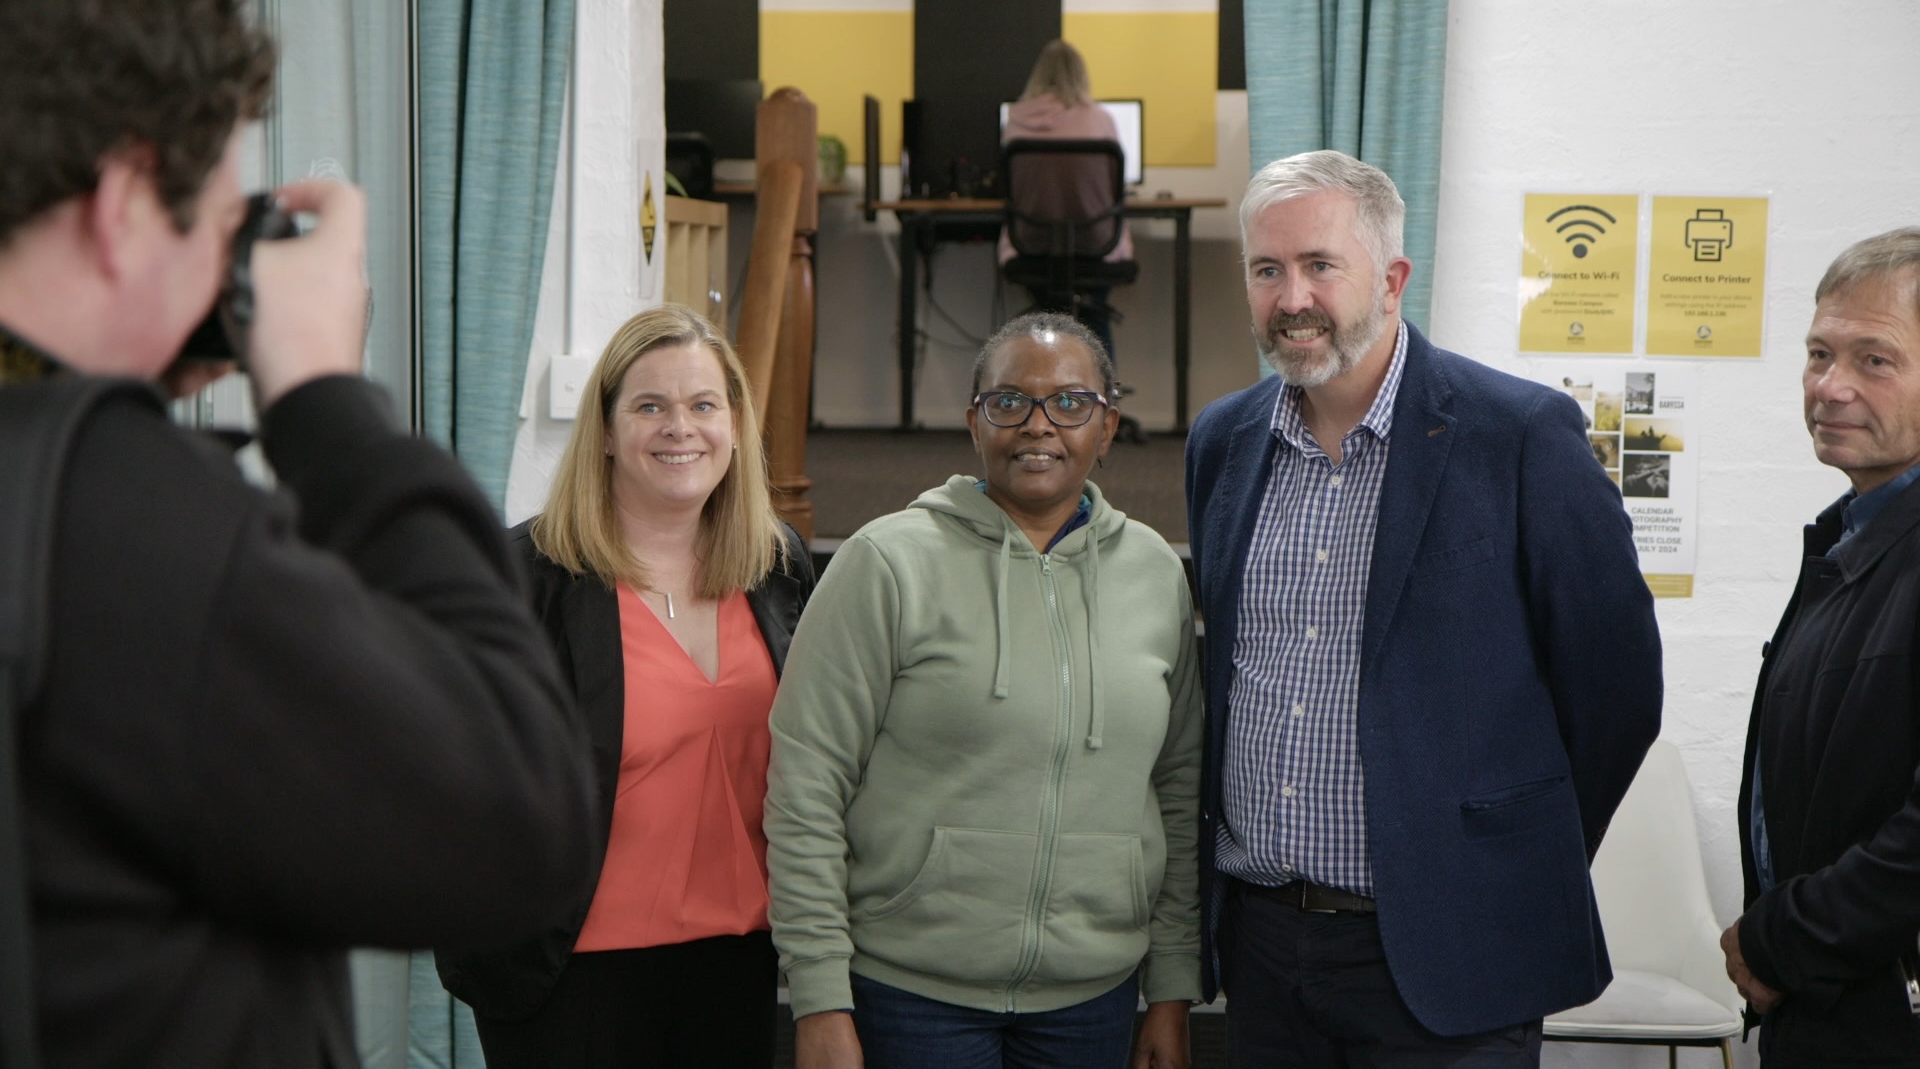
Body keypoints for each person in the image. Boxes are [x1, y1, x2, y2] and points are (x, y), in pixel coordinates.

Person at [0, 0, 595, 1065]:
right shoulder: (138, 531)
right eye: (227, 206)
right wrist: (324, 396)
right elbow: (517, 817)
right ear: (126, 201)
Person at [1184, 149, 1663, 1066]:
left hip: (1453, 950)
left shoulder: (1519, 435)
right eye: (1266, 269)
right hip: (1264, 947)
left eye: (1322, 265)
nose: (1292, 298)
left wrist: (1501, 855)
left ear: (1392, 278)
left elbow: (1617, 690)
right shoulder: (1222, 441)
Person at [768, 312, 1201, 1069]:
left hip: (1091, 999)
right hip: (908, 997)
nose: (1038, 426)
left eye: (1071, 404)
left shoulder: (1155, 576)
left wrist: (1171, 985)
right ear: (975, 422)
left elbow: (1176, 788)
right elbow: (806, 784)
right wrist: (819, 995)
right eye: (1009, 402)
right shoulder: (887, 563)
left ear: (1108, 426)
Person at [436, 305, 815, 1067]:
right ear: (606, 432)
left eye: (704, 405)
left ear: (735, 426)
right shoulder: (525, 578)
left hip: (735, 961)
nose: (681, 427)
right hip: (567, 974)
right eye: (650, 406)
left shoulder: (777, 566)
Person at [1725, 227, 1920, 1065]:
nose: (1830, 387)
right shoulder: (1851, 540)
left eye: (1875, 359)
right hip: (1829, 1013)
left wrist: (1784, 942)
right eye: (1818, 354)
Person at [999, 38, 1134, 359]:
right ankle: (1101, 404)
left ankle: (1047, 399)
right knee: (1094, 311)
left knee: (1047, 310)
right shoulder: (1100, 119)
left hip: (1031, 246)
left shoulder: (1015, 122)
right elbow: (1114, 190)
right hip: (1095, 244)